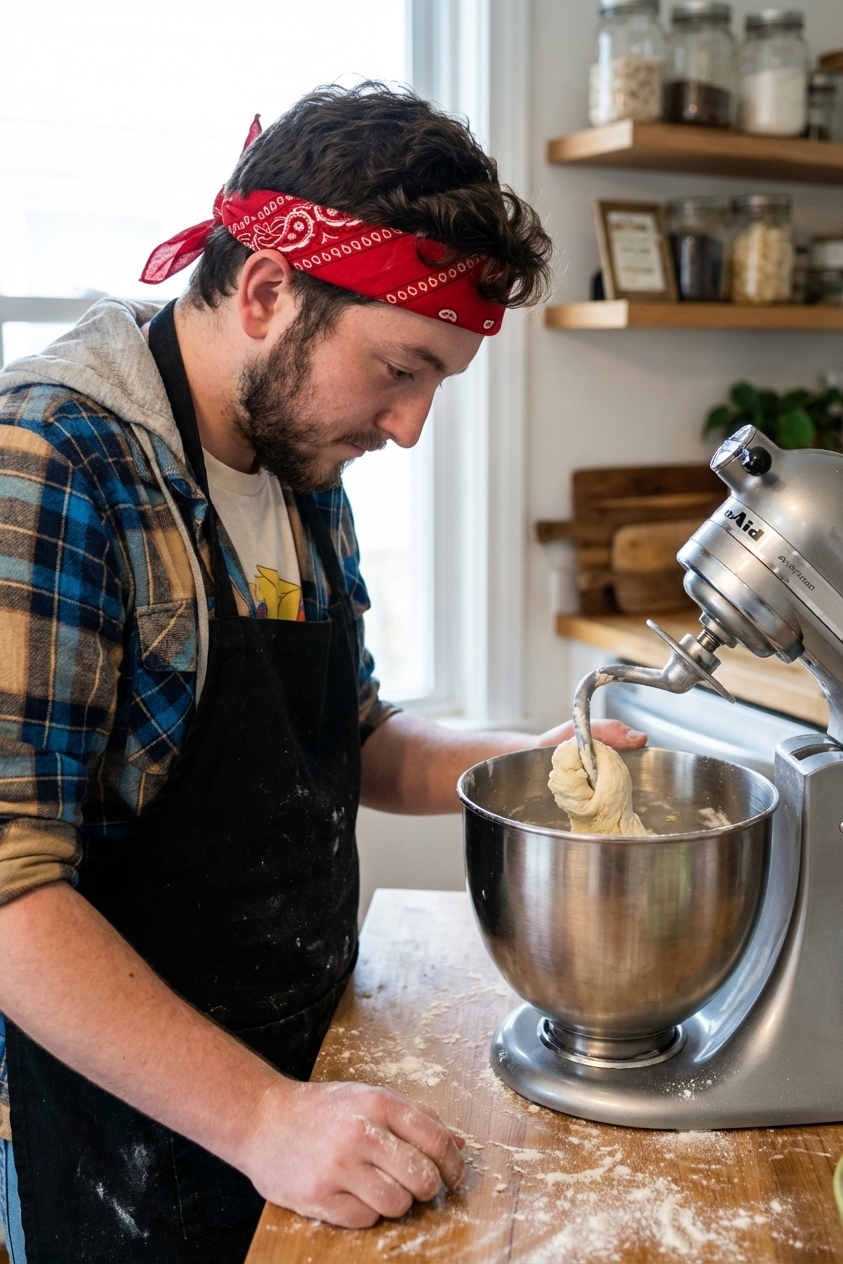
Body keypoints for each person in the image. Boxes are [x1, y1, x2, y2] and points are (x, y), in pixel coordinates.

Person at [0, 84, 645, 1263]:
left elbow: (346, 736)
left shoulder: (296, 461)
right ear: (266, 292)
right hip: (137, 1131)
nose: (409, 427)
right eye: (401, 369)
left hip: (307, 1078)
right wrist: (263, 1116)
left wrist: (537, 767)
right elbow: (7, 887)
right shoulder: (55, 459)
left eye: (439, 382)